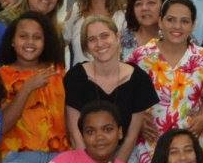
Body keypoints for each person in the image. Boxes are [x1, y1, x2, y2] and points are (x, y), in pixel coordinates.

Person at [126, 0, 203, 163]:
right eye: (171, 20)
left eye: (184, 21)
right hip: (150, 147)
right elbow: (125, 99)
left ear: (193, 25)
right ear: (161, 21)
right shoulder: (140, 57)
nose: (177, 26)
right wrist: (138, 122)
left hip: (192, 148)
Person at [0, 14, 69, 163]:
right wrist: (27, 88)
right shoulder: (2, 74)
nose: (30, 42)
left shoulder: (59, 73)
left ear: (45, 41)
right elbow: (1, 126)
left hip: (58, 159)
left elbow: (68, 114)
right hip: (17, 160)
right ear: (12, 40)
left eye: (37, 37)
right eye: (23, 36)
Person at [64, 18, 156, 151]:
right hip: (84, 155)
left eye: (104, 36)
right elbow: (75, 134)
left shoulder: (139, 79)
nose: (99, 43)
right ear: (87, 47)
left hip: (125, 155)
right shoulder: (75, 77)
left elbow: (131, 137)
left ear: (117, 36)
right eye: (92, 39)